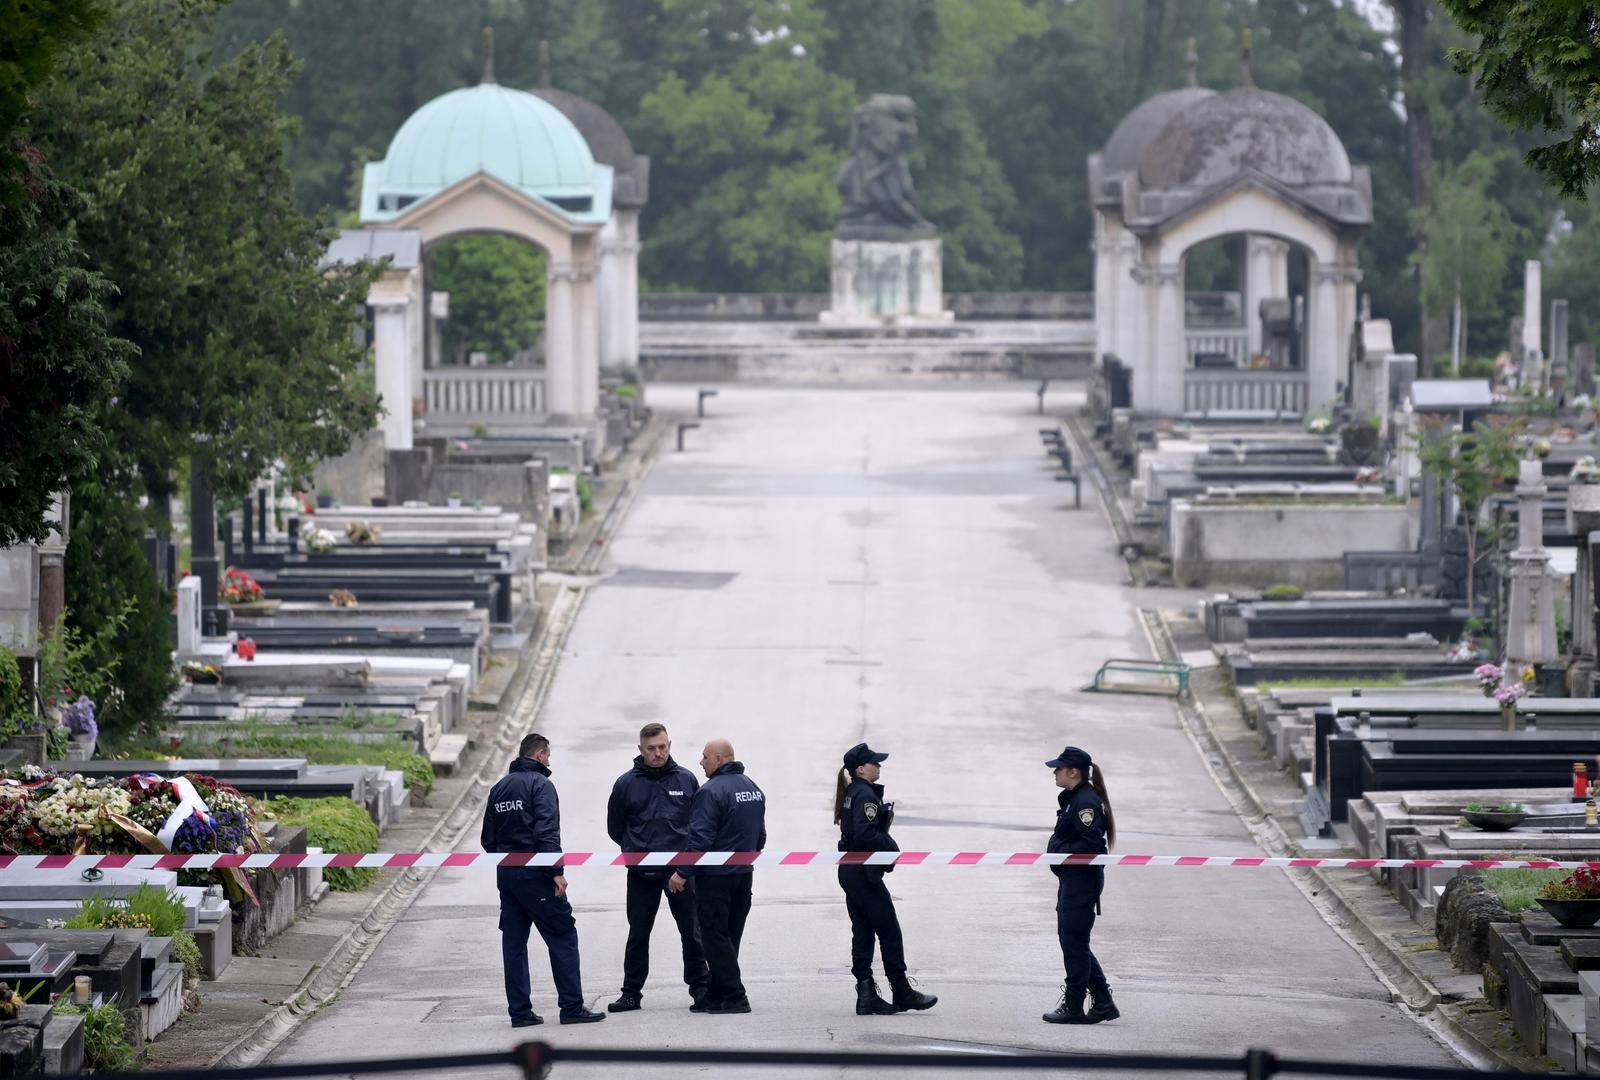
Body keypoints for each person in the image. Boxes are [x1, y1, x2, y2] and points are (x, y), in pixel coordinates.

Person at [480, 732, 605, 1027]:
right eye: (548, 756)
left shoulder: (499, 788)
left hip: (507, 877)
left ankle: (520, 1013)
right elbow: (547, 832)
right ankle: (572, 1007)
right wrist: (556, 872)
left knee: (514, 944)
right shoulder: (541, 785)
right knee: (563, 935)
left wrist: (511, 856)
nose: (549, 761)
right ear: (538, 755)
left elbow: (488, 840)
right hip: (537, 875)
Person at [605, 723, 710, 1013]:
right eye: (651, 748)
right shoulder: (626, 784)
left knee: (692, 932)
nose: (658, 753)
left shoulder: (687, 780)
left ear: (670, 745)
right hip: (642, 873)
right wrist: (634, 849)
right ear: (641, 750)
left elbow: (700, 825)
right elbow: (615, 827)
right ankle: (631, 994)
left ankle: (701, 990)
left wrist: (685, 866)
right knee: (638, 933)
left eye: (662, 747)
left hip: (682, 872)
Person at [833, 742, 937, 1015]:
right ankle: (901, 990)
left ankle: (866, 992)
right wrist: (891, 847)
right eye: (874, 763)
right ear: (860, 769)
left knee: (864, 930)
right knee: (889, 930)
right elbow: (865, 833)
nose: (878, 766)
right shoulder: (865, 794)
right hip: (862, 872)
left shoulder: (855, 791)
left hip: (852, 870)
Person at [668, 739, 764, 1014]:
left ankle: (735, 996)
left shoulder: (710, 792)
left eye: (705, 757)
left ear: (720, 759)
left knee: (713, 936)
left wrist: (682, 872)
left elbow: (700, 838)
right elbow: (760, 835)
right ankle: (714, 994)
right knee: (729, 936)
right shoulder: (753, 788)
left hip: (715, 877)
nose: (701, 762)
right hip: (743, 874)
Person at [1042, 745, 1119, 1025]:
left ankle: (1075, 1004)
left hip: (1081, 880)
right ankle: (1102, 1001)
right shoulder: (1074, 798)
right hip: (1073, 879)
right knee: (1073, 940)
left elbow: (1091, 843)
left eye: (1059, 768)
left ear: (1073, 771)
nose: (1054, 772)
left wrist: (1059, 847)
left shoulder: (1085, 802)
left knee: (1074, 941)